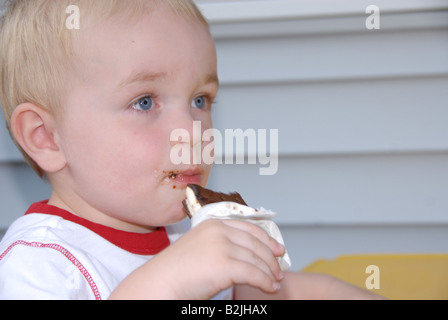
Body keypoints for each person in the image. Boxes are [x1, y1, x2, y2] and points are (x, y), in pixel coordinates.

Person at [0, 0, 383, 300]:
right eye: (145, 102)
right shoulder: (36, 265)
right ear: (46, 137)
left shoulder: (185, 243)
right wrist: (170, 281)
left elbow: (292, 293)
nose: (192, 132)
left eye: (200, 100)